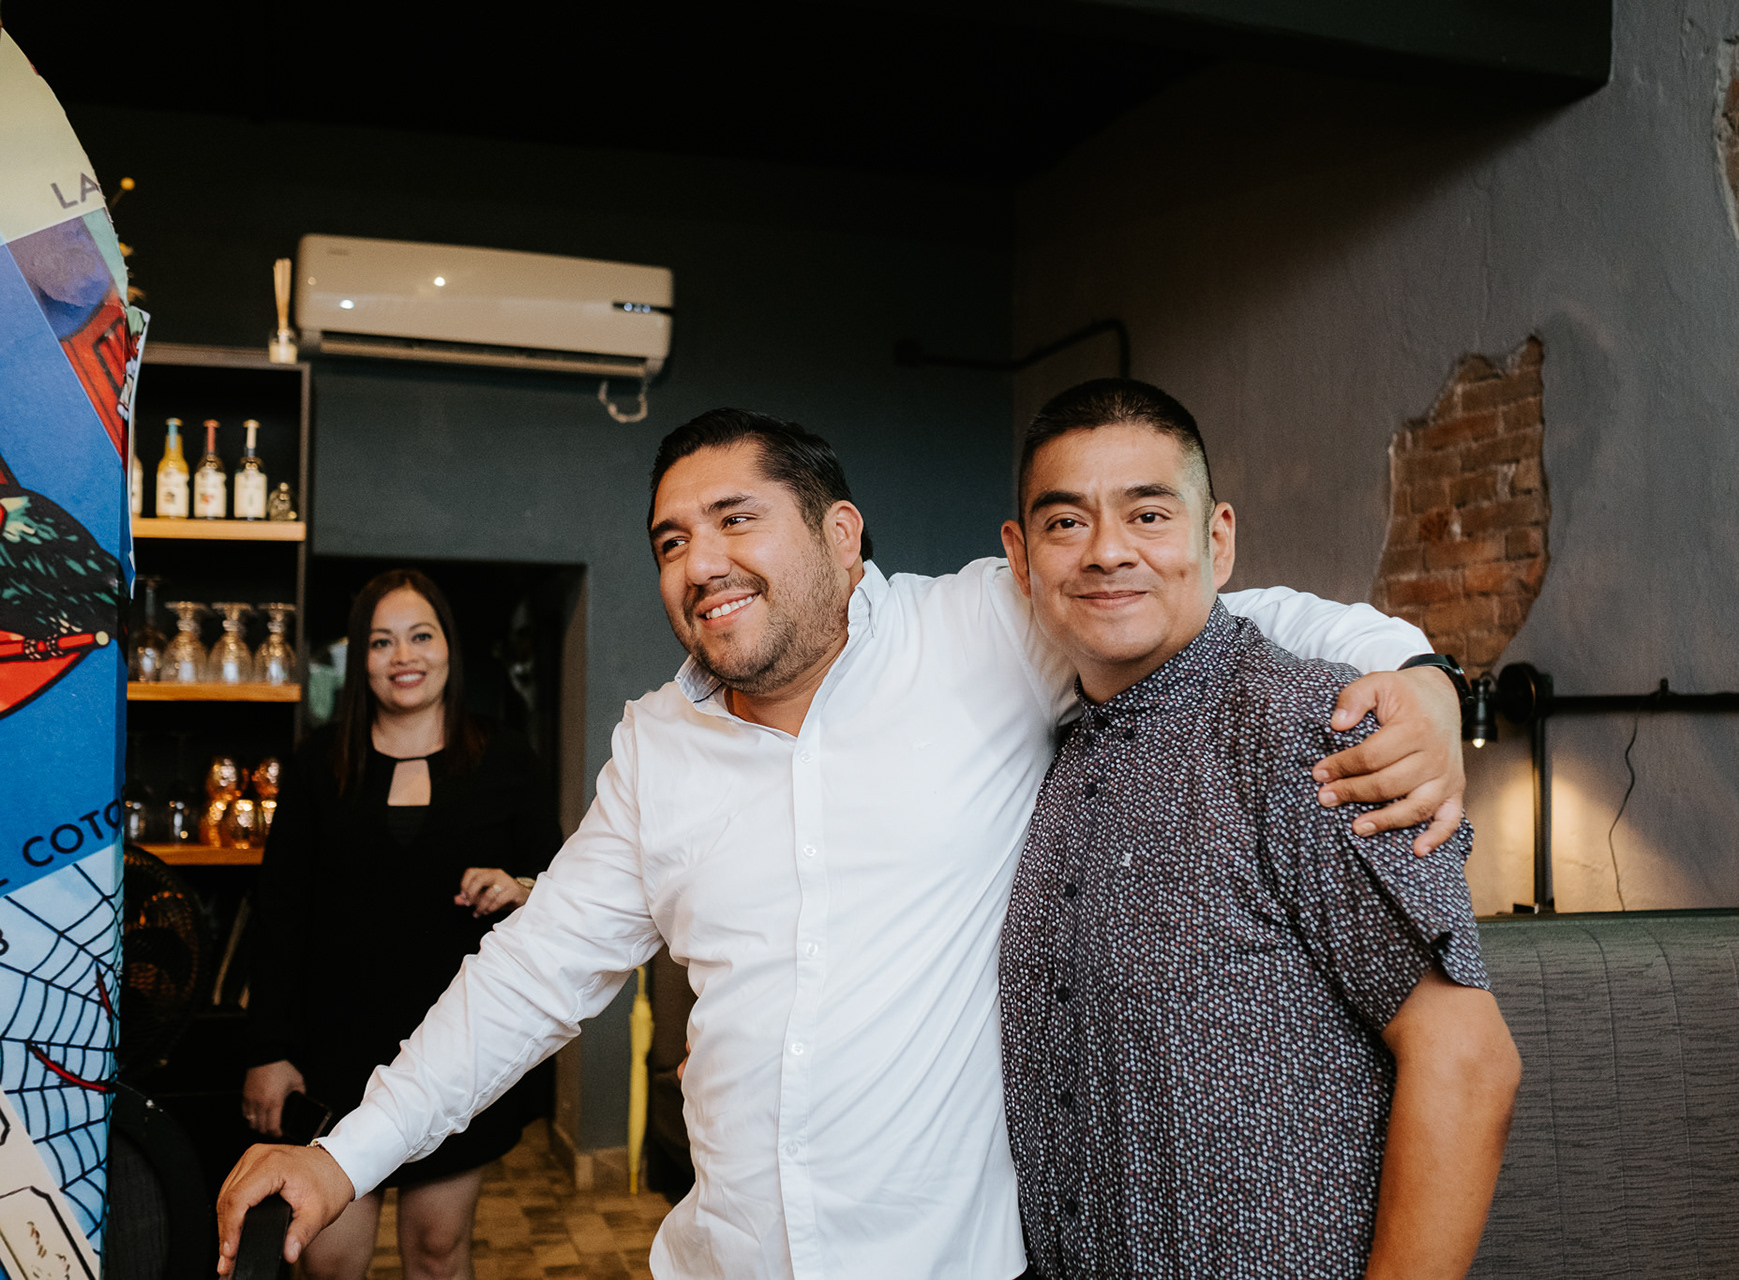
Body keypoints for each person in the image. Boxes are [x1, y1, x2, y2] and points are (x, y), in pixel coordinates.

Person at [217, 408, 1470, 1280]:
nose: (700, 563)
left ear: (841, 534)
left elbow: (1210, 607)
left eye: (736, 519)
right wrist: (342, 1155)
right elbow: (530, 976)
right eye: (671, 540)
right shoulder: (656, 747)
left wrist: (1421, 677)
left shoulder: (982, 633)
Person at [997, 380, 1520, 1279]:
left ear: (1218, 540)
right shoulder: (1053, 755)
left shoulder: (1307, 729)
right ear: (1022, 557)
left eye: (1149, 515)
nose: (1107, 551)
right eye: (1066, 523)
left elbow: (1468, 1064)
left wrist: (1431, 678)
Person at [241, 568, 561, 1280]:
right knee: (329, 1262)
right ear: (359, 658)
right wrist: (269, 1050)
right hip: (333, 1057)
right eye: (381, 641)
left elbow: (564, 889)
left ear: (449, 647)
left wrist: (518, 887)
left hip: (457, 1048)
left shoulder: (507, 758)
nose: (403, 656)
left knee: (438, 1254)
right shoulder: (319, 763)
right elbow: (279, 913)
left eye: (421, 636)